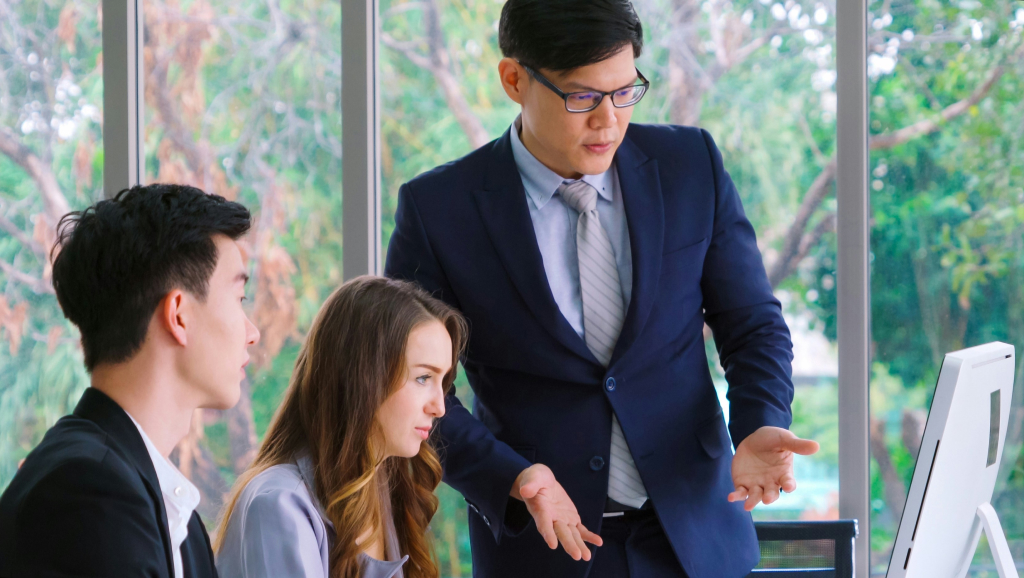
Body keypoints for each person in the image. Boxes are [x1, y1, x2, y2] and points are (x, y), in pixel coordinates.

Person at [383, 1, 821, 577]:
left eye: (625, 92)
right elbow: (403, 379)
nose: (608, 120)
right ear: (514, 80)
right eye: (583, 97)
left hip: (694, 541)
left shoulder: (691, 167)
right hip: (543, 548)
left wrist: (760, 419)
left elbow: (753, 325)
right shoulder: (440, 210)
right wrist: (510, 476)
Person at [0, 184, 260, 578]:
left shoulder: (175, 517)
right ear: (179, 315)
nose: (253, 332)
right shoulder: (87, 492)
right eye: (239, 299)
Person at [215, 276, 468, 578]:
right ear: (364, 378)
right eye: (423, 378)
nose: (439, 407)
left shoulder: (381, 492)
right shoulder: (278, 503)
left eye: (443, 382)